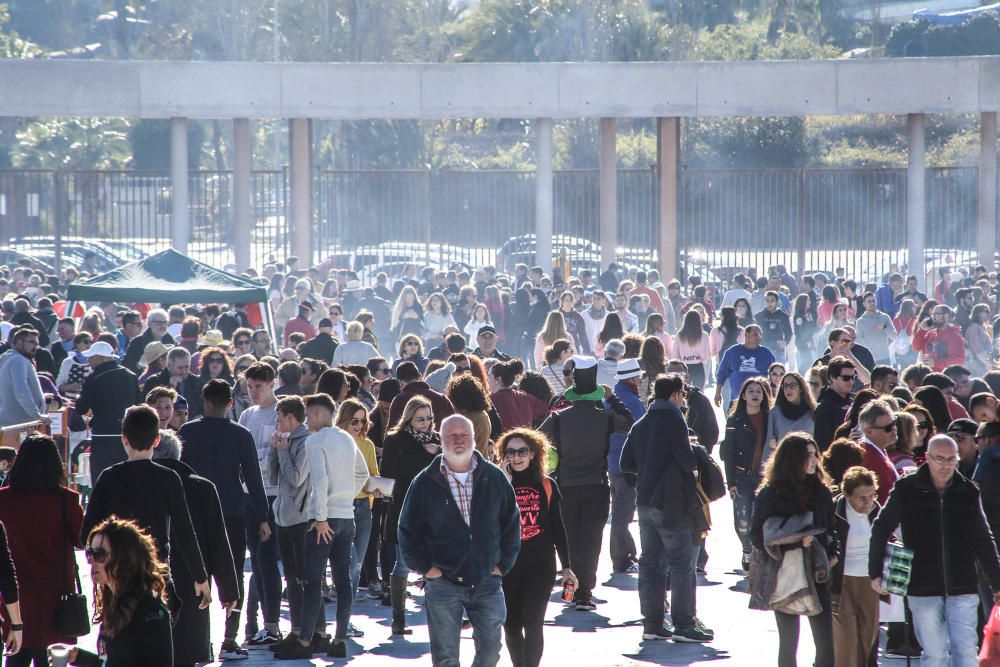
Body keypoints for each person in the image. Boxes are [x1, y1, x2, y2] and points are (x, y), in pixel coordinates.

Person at [398, 414, 521, 667]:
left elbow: (511, 522)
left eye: (464, 435)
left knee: (490, 651)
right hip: (443, 582)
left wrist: (503, 564)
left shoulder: (494, 477)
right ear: (440, 439)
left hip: (487, 579)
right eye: (451, 436)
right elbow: (407, 530)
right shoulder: (424, 481)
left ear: (474, 439)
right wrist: (427, 569)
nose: (458, 440)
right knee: (445, 658)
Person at [870, 435, 1000, 667]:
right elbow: (881, 527)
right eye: (939, 458)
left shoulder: (968, 491)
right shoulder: (906, 488)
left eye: (951, 459)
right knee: (935, 653)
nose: (945, 465)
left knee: (966, 652)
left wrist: (997, 582)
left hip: (963, 585)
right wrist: (875, 572)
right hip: (922, 587)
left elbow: (983, 539)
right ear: (927, 459)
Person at [80, 405, 212, 614]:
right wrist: (200, 576)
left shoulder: (109, 477)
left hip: (116, 572)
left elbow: (86, 533)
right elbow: (185, 531)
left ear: (124, 438)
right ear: (156, 440)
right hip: (156, 571)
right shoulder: (169, 478)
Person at [620, 373, 714, 643]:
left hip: (645, 502)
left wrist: (648, 468)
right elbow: (686, 462)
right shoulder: (674, 419)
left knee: (650, 565)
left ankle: (653, 624)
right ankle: (684, 624)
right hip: (671, 504)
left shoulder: (641, 422)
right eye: (682, 394)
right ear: (675, 394)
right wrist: (695, 454)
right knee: (682, 564)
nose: (683, 399)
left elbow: (626, 463)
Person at [275, 393, 368, 660]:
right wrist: (346, 495)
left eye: (307, 412)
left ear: (315, 413)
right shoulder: (347, 438)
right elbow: (362, 473)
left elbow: (319, 478)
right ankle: (339, 639)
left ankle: (305, 641)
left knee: (312, 580)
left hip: (322, 519)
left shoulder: (315, 441)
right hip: (346, 515)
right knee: (343, 580)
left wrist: (321, 517)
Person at [151, 425, 239, 667]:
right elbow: (218, 541)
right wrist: (229, 590)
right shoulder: (202, 486)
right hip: (194, 578)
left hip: (151, 574)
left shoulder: (141, 484)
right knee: (188, 649)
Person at [750, 433, 838, 667]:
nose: (814, 460)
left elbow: (832, 527)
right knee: (788, 644)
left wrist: (833, 553)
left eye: (815, 454)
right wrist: (794, 542)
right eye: (807, 455)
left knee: (826, 644)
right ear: (792, 459)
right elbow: (757, 535)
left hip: (817, 573)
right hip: (785, 574)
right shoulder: (770, 493)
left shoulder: (821, 492)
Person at [495, 428, 576, 667]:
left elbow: (558, 528)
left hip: (540, 564)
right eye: (510, 452)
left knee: (533, 624)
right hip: (507, 565)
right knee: (510, 626)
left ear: (533, 454)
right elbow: (489, 522)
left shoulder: (547, 484)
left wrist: (567, 567)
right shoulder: (497, 484)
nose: (516, 457)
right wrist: (503, 484)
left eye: (522, 451)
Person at [0, 434, 75, 666]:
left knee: (16, 656)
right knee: (54, 658)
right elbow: (81, 540)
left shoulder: (3, 499)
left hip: (16, 594)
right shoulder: (66, 500)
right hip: (56, 594)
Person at [60, 518, 172, 666]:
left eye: (99, 554)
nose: (91, 561)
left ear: (123, 558)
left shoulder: (150, 610)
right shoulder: (114, 602)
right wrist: (78, 657)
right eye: (89, 552)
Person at [379, 396, 441, 634]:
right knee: (403, 562)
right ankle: (398, 619)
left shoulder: (436, 440)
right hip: (405, 507)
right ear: (409, 418)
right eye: (420, 419)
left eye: (428, 418)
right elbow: (387, 475)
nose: (425, 423)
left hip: (434, 509)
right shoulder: (396, 439)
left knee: (437, 561)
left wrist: (438, 451)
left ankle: (443, 616)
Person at [235, 362, 284, 646]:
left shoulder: (282, 413)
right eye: (250, 387)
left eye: (259, 387)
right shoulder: (247, 415)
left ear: (272, 384)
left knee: (268, 560)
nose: (254, 392)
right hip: (249, 494)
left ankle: (272, 623)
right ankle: (255, 621)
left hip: (274, 493)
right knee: (257, 560)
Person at [720, 377, 772, 572]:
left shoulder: (770, 418)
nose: (755, 394)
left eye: (759, 391)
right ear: (743, 395)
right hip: (742, 477)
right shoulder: (735, 420)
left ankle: (760, 553)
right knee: (742, 521)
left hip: (765, 476)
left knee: (762, 518)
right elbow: (729, 453)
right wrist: (731, 482)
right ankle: (747, 548)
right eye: (750, 391)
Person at [830, 466, 880, 667]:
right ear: (847, 494)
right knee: (846, 638)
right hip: (841, 581)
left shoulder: (877, 510)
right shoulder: (835, 511)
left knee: (867, 635)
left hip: (869, 581)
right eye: (862, 497)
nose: (868, 502)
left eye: (872, 495)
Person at [74, 340, 142, 481]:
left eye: (91, 357)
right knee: (126, 480)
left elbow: (81, 409)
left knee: (102, 480)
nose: (89, 361)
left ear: (100, 358)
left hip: (103, 436)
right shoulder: (131, 375)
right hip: (127, 435)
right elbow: (139, 404)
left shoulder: (94, 378)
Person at [334, 398, 380, 606]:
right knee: (348, 564)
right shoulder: (333, 441)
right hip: (341, 507)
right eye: (354, 421)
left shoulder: (367, 444)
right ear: (343, 420)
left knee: (357, 565)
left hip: (363, 507)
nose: (359, 426)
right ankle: (345, 614)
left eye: (362, 421)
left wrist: (378, 488)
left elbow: (372, 475)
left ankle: (347, 614)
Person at [607, 358, 645, 574]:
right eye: (638, 376)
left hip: (613, 463)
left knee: (621, 512)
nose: (640, 379)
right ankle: (622, 558)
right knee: (623, 514)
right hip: (626, 465)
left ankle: (625, 555)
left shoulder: (614, 397)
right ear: (632, 378)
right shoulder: (631, 400)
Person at [714, 324, 775, 410]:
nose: (759, 337)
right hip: (737, 401)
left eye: (760, 334)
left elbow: (775, 375)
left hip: (760, 401)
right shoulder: (732, 352)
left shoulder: (767, 353)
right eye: (755, 334)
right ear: (746, 334)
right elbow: (722, 373)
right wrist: (717, 393)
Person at [0, 327, 49, 428]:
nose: (35, 347)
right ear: (18, 342)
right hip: (17, 426)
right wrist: (37, 415)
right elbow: (21, 392)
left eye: (37, 344)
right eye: (31, 342)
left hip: (12, 424)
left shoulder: (8, 358)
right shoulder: (18, 360)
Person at [387, 361, 455, 431]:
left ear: (400, 382)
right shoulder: (441, 398)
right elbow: (455, 424)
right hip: (440, 441)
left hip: (408, 441)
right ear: (420, 377)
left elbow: (391, 431)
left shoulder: (399, 400)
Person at [856, 400, 900, 506]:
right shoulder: (870, 459)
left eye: (894, 423)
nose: (894, 429)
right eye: (888, 428)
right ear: (869, 431)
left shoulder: (875, 450)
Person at [767, 371, 815, 460]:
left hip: (808, 463)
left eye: (792, 385)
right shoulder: (775, 413)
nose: (788, 389)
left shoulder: (813, 412)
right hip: (783, 464)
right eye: (785, 386)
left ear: (801, 388)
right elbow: (769, 445)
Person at [488, 360, 548, 430]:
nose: (487, 380)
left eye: (489, 377)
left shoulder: (491, 400)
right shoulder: (525, 397)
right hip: (526, 438)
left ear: (498, 379)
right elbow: (547, 409)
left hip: (505, 440)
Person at [813, 356, 856, 452]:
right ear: (832, 377)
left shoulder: (853, 401)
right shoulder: (824, 407)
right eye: (846, 378)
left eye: (853, 377)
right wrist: (847, 440)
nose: (851, 381)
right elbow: (822, 446)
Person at [911, 303, 965, 372]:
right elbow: (917, 347)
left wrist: (935, 363)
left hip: (945, 377)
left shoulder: (954, 336)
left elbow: (958, 360)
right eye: (932, 314)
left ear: (946, 316)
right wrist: (922, 330)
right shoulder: (931, 333)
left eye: (936, 314)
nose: (933, 317)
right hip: (929, 375)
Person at [122, 309, 175, 373]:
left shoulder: (172, 343)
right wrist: (140, 365)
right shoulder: (137, 343)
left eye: (165, 322)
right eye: (159, 323)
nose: (163, 325)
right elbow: (127, 365)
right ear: (149, 323)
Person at [854, 291, 896, 366]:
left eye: (873, 301)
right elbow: (858, 342)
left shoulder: (885, 317)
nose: (872, 303)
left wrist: (884, 327)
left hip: (884, 357)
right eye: (869, 301)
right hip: (869, 359)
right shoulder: (860, 322)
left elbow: (894, 336)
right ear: (864, 304)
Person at [755, 291, 793, 363]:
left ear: (777, 302)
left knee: (779, 373)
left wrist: (785, 342)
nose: (769, 303)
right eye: (767, 301)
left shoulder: (783, 316)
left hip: (778, 350)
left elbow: (789, 333)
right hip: (763, 349)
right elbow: (755, 333)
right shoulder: (758, 316)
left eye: (772, 301)